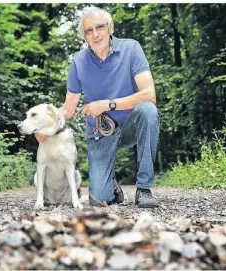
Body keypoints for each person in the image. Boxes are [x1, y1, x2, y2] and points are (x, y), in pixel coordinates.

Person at [36, 6, 160, 208]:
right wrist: (44, 127)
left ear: (110, 27)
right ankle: (110, 185)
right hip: (100, 132)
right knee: (99, 200)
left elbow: (149, 94)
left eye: (100, 27)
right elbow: (67, 110)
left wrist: (107, 104)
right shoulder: (78, 63)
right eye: (89, 30)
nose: (95, 34)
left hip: (131, 124)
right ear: (84, 36)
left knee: (148, 110)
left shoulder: (131, 48)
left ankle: (144, 188)